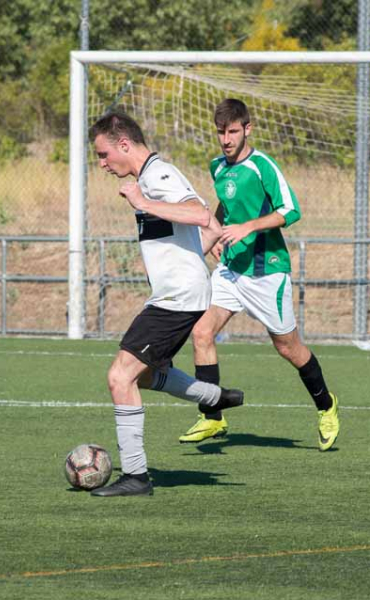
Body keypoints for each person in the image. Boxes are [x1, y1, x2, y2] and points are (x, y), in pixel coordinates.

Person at [87, 111, 244, 498]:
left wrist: (142, 201)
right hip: (175, 295)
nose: (103, 164)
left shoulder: (156, 177)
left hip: (178, 298)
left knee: (119, 378)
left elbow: (198, 213)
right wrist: (198, 255)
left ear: (124, 144)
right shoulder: (151, 177)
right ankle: (212, 396)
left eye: (105, 154)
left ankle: (136, 476)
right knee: (140, 375)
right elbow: (209, 227)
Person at [179, 98, 339, 451]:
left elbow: (291, 210)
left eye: (232, 131)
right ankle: (212, 417)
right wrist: (217, 234)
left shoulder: (263, 165)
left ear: (247, 129)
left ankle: (326, 406)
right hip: (232, 269)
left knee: (288, 347)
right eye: (220, 132)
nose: (225, 139)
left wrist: (249, 226)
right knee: (201, 332)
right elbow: (225, 205)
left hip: (267, 272)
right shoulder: (217, 167)